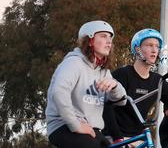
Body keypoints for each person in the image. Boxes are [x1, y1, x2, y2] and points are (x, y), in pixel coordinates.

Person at [46, 20, 127, 148]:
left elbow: (121, 101)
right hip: (63, 125)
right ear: (89, 41)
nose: (109, 41)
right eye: (103, 36)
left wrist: (115, 85)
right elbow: (59, 92)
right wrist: (75, 125)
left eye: (110, 37)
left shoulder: (104, 71)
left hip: (91, 129)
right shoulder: (73, 62)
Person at [102, 28, 168, 145]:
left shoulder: (158, 80)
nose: (154, 50)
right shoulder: (123, 74)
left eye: (157, 46)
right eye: (149, 45)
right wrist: (117, 137)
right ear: (137, 49)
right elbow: (106, 107)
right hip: (115, 137)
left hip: (139, 137)